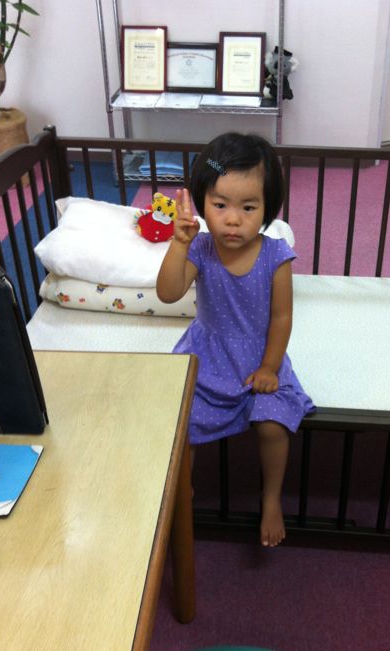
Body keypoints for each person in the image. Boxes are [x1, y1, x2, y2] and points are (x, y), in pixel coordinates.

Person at [156, 132, 315, 547]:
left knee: (272, 425)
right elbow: (168, 293)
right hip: (207, 355)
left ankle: (271, 497)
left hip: (260, 357)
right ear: (201, 202)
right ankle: (182, 489)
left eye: (248, 207)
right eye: (220, 205)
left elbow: (281, 318)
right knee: (182, 422)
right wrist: (178, 244)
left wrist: (269, 367)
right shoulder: (200, 248)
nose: (232, 219)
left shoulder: (276, 256)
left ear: (267, 208)